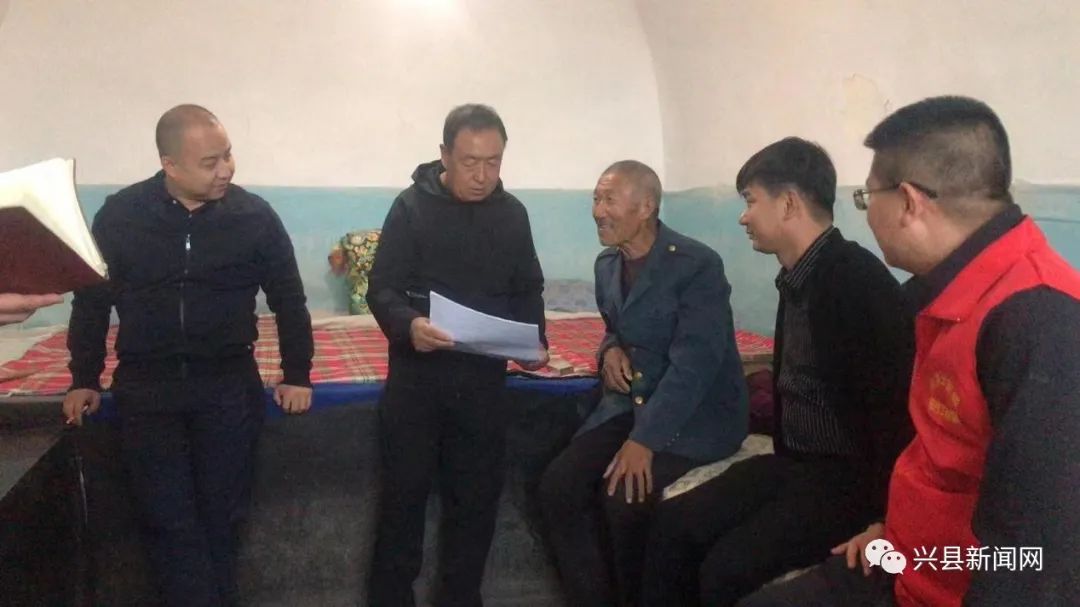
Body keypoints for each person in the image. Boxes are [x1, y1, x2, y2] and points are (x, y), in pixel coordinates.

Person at [739, 96, 1080, 606]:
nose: (866, 213)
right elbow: (934, 455)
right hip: (906, 560)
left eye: (865, 197)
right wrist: (896, 533)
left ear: (909, 202)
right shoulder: (938, 294)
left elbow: (1033, 559)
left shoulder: (1039, 320)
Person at [640, 137, 913, 606]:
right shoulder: (797, 277)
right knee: (671, 525)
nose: (743, 217)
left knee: (726, 567)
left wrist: (885, 518)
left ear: (787, 204)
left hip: (848, 482)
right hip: (796, 465)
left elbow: (892, 410)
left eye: (750, 201)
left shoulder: (855, 282)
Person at [62, 104, 314, 607]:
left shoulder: (254, 217)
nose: (225, 170)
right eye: (209, 162)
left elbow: (289, 299)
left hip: (226, 387)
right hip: (147, 390)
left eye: (228, 155)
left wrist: (297, 373)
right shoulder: (121, 215)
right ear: (169, 165)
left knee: (223, 518)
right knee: (167, 520)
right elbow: (91, 301)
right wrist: (84, 377)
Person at [539, 160, 749, 606]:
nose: (597, 211)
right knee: (559, 484)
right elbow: (616, 327)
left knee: (623, 496)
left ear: (646, 206)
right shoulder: (607, 265)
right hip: (632, 403)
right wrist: (609, 351)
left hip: (695, 416)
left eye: (609, 199)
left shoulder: (696, 265)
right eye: (595, 199)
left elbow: (696, 365)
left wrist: (644, 441)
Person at [366, 103, 548, 607]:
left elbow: (528, 287)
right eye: (470, 162)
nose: (482, 175)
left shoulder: (512, 214)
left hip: (482, 386)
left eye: (493, 162)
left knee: (475, 507)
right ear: (444, 155)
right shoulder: (411, 208)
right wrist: (409, 325)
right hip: (418, 383)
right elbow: (382, 289)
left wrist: (534, 340)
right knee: (402, 504)